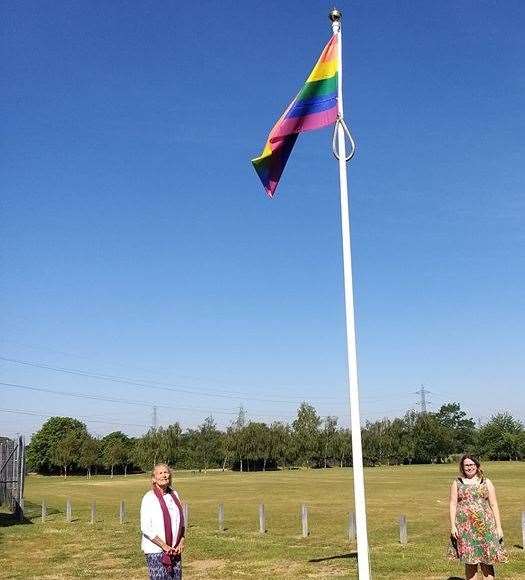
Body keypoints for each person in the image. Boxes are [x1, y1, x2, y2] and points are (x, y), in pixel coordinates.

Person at [448, 454, 507, 579]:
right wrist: (453, 526)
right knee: (470, 562)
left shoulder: (486, 482)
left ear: (477, 465)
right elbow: (453, 504)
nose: (469, 467)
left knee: (487, 561)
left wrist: (499, 527)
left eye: (472, 464)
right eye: (466, 465)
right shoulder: (457, 483)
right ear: (462, 467)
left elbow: (494, 504)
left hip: (485, 527)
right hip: (465, 528)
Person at [141, 463, 186, 579]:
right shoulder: (149, 498)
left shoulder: (174, 495)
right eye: (160, 473)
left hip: (174, 551)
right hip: (156, 551)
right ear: (154, 479)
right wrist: (164, 546)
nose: (164, 475)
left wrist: (181, 540)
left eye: (166, 472)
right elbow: (145, 527)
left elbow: (180, 521)